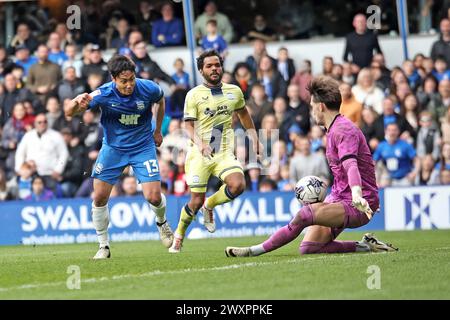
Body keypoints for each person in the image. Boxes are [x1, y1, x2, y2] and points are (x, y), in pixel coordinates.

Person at [225, 76, 397, 258]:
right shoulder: (332, 129)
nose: (312, 111)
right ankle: (366, 246)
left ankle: (254, 251)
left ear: (320, 106)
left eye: (312, 106)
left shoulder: (342, 130)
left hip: (358, 203)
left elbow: (351, 164)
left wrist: (357, 194)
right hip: (340, 196)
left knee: (304, 215)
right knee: (309, 247)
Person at [65, 55, 174, 259]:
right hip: (113, 149)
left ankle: (162, 223)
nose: (129, 84)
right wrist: (75, 102)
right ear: (114, 79)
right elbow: (69, 113)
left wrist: (158, 130)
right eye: (124, 81)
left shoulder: (147, 87)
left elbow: (160, 99)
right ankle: (103, 246)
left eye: (131, 79)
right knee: (99, 198)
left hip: (143, 147)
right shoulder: (103, 93)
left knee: (154, 196)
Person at [169, 50, 263, 253]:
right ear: (201, 70)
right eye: (209, 66)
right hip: (198, 153)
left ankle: (209, 206)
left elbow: (244, 114)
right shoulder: (193, 94)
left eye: (217, 65)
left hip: (223, 151)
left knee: (238, 185)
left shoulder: (234, 91)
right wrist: (201, 144)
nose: (214, 69)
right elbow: (188, 126)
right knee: (195, 201)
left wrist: (255, 138)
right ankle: (179, 234)